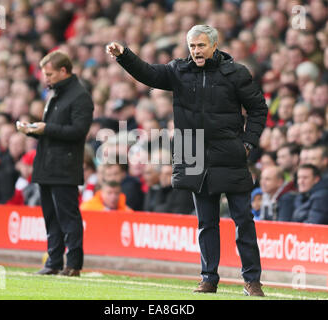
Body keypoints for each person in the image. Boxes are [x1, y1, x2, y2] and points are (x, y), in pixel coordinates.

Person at [106, 25, 268, 296]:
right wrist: (124, 55)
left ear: (214, 46)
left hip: (230, 155)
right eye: (192, 46)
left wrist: (248, 143)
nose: (196, 51)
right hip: (193, 154)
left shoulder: (236, 73)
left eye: (201, 45)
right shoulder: (178, 71)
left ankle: (252, 281)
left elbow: (258, 109)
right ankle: (208, 278)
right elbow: (148, 72)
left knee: (243, 220)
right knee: (206, 223)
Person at [16, 50, 94, 277]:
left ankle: (73, 264)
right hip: (47, 166)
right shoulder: (55, 95)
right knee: (51, 217)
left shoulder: (80, 97)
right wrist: (32, 130)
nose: (45, 79)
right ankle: (53, 261)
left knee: (68, 216)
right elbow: (54, 131)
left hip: (65, 167)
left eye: (49, 74)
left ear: (63, 71)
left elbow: (79, 131)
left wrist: (46, 128)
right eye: (44, 74)